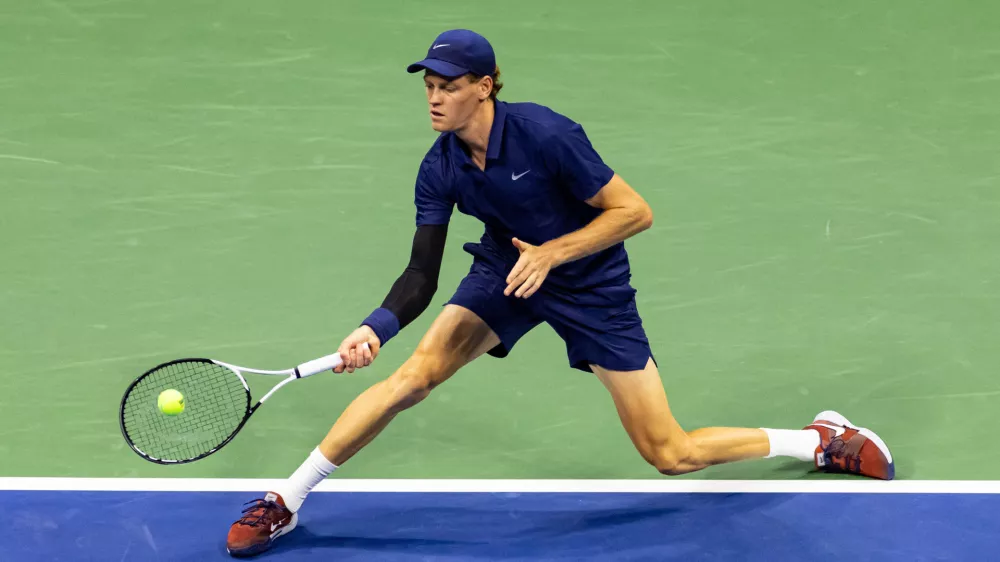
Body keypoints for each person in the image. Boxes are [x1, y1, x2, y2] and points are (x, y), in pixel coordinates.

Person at [225, 29, 894, 558]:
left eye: (448, 86)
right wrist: (375, 325)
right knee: (411, 379)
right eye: (428, 86)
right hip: (505, 274)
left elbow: (634, 212)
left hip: (590, 288)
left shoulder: (545, 133)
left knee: (671, 454)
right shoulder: (441, 166)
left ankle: (818, 441)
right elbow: (421, 273)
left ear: (484, 87)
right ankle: (286, 499)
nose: (434, 98)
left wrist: (555, 253)